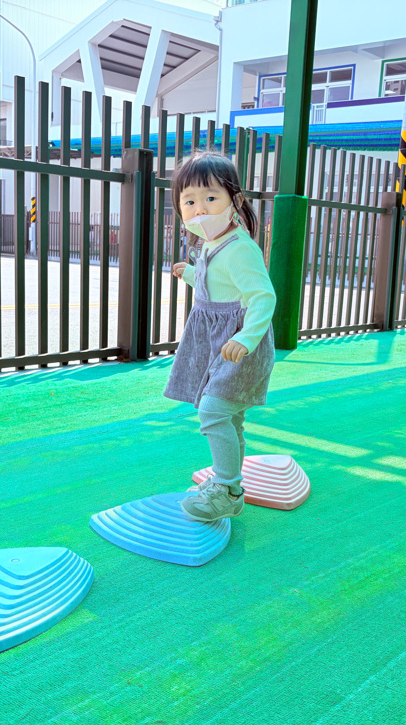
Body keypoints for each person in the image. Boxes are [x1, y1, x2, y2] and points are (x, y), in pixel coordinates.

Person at [165, 151, 276, 523]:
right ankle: (231, 487)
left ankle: (226, 488)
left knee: (213, 411)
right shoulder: (209, 243)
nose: (200, 209)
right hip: (219, 343)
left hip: (239, 345)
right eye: (189, 201)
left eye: (211, 198)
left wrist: (245, 339)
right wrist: (191, 275)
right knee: (231, 416)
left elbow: (262, 297)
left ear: (235, 200)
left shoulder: (240, 249)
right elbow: (219, 287)